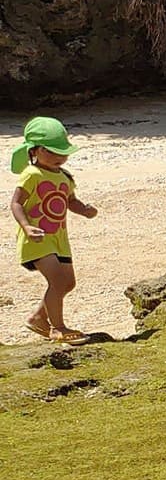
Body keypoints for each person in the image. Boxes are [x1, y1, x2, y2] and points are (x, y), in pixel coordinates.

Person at [12, 118, 99, 343]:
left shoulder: (64, 176)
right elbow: (16, 203)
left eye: (64, 153)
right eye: (54, 152)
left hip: (59, 238)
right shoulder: (32, 174)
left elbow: (70, 201)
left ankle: (38, 318)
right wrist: (26, 226)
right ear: (36, 151)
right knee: (58, 281)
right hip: (37, 239)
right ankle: (57, 328)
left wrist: (85, 210)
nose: (61, 158)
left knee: (68, 282)